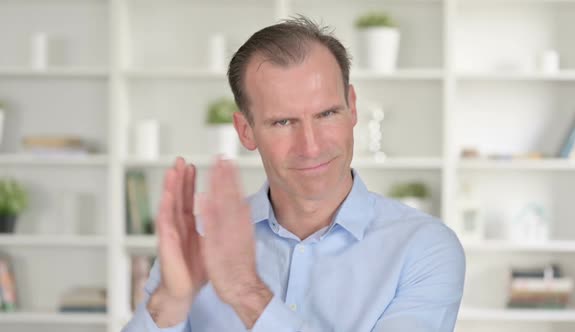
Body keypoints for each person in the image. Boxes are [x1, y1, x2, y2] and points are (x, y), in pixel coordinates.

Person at [123, 16, 465, 332]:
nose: (311, 146)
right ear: (245, 131)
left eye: (327, 113)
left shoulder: (424, 249)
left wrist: (247, 293)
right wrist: (170, 301)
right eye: (283, 122)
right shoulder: (197, 243)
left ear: (353, 107)